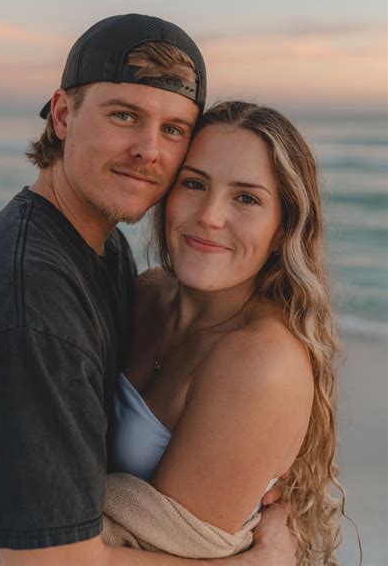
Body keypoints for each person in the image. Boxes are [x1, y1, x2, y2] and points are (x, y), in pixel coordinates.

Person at [0, 14, 296, 566]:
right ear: (64, 114)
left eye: (173, 130)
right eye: (125, 115)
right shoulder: (26, 297)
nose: (149, 149)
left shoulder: (104, 253)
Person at [108, 100, 346, 564]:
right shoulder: (146, 294)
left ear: (285, 227)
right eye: (193, 183)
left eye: (246, 198)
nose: (210, 216)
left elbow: (150, 545)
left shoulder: (260, 362)